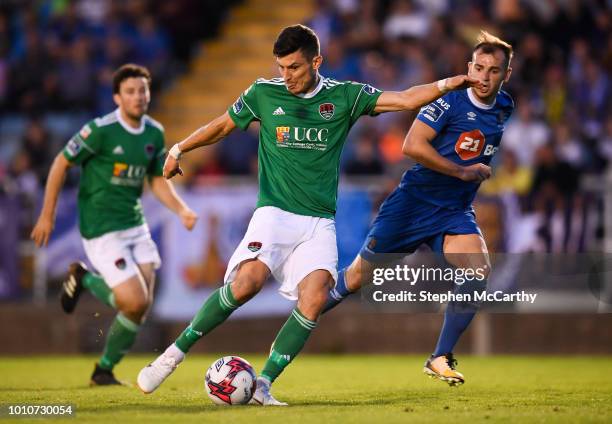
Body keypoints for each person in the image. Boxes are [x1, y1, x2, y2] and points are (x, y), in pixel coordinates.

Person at [136, 24, 481, 404]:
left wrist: (449, 83)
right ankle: (171, 356)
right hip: (274, 213)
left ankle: (263, 385)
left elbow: (404, 99)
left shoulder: (345, 96)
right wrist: (178, 150)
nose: (286, 76)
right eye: (281, 67)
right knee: (247, 282)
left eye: (295, 68)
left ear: (317, 61)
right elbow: (222, 125)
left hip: (319, 222)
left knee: (315, 298)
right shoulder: (263, 93)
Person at [322, 30, 515, 386]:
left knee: (478, 272)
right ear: (468, 67)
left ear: (507, 73)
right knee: (352, 280)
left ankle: (439, 356)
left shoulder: (505, 107)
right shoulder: (449, 102)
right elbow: (411, 145)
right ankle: (298, 321)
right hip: (411, 206)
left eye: (493, 70)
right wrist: (461, 170)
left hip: (453, 212)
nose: (485, 77)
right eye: (479, 67)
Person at [31, 64, 198, 385]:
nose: (138, 97)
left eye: (142, 91)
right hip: (102, 227)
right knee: (133, 300)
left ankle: (103, 370)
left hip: (135, 225)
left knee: (141, 306)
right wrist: (46, 214)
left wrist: (182, 210)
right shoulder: (100, 130)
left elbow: (155, 179)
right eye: (131, 92)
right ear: (117, 98)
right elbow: (61, 163)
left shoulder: (154, 132)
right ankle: (85, 280)